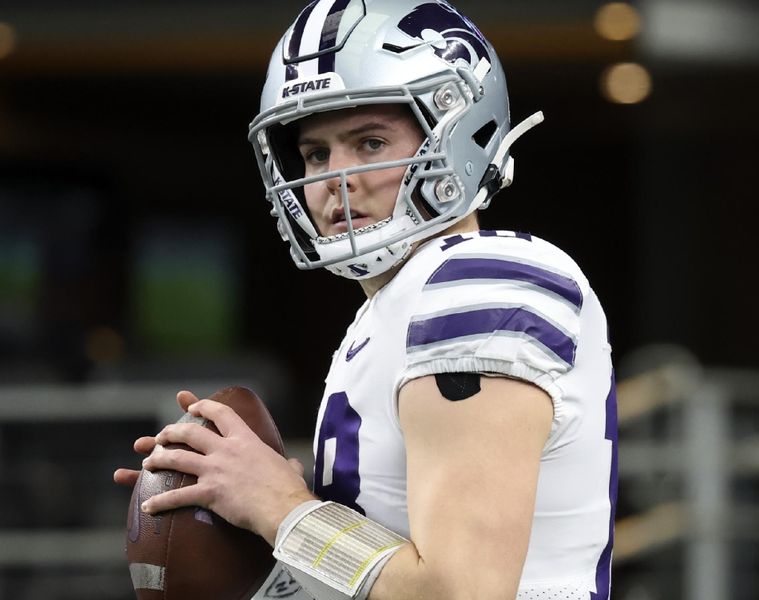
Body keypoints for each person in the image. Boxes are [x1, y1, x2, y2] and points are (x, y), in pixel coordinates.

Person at [114, 1, 618, 598]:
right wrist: (248, 521)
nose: (334, 178)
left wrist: (281, 506)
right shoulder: (385, 313)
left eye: (371, 142)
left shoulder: (480, 280)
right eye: (316, 152)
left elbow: (463, 591)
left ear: (459, 134)